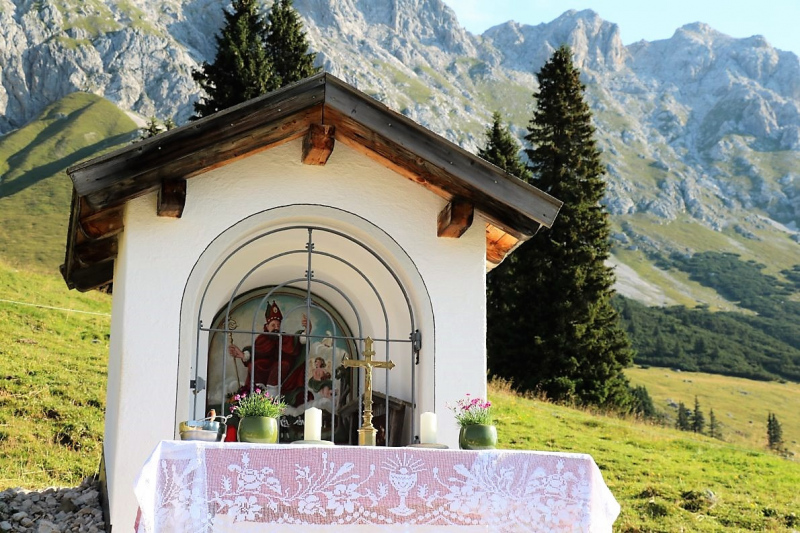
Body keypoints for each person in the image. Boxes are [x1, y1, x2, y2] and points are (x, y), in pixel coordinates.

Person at [228, 301, 310, 405]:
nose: (276, 327)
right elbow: (254, 352)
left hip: (281, 371)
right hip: (263, 370)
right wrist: (243, 355)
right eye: (273, 325)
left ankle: (272, 399)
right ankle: (258, 396)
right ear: (267, 326)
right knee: (255, 365)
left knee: (281, 366)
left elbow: (300, 340)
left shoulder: (285, 338)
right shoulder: (262, 339)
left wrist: (307, 330)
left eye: (278, 325)